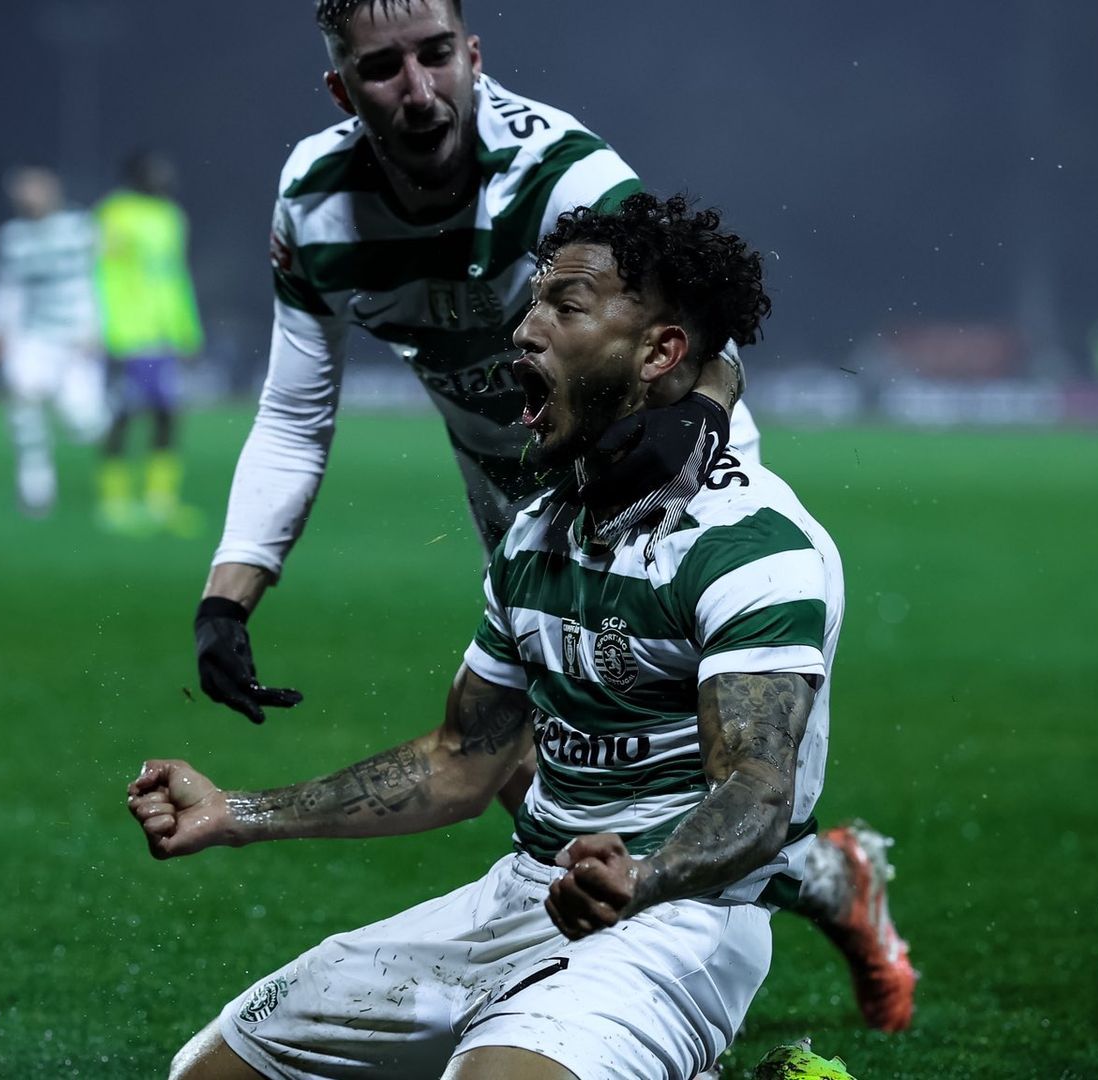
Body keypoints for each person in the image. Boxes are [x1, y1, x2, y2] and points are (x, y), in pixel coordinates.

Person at [190, 0, 914, 1033]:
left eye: (438, 54)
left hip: (672, 493)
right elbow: (295, 410)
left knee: (695, 783)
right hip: (525, 516)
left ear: (474, 55)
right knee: (544, 785)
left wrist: (695, 425)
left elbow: (695, 321)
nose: (420, 89)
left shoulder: (563, 174)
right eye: (385, 68)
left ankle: (662, 1004)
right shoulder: (316, 204)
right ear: (342, 89)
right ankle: (794, 899)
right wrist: (230, 592)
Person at [135, 195, 850, 1079]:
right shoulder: (538, 531)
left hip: (676, 922)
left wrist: (644, 878)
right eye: (532, 303)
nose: (523, 330)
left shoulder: (749, 546)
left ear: (659, 352)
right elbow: (461, 759)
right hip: (518, 897)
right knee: (206, 1072)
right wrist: (236, 814)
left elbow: (757, 791)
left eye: (566, 307)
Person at [0, 165, 108, 516]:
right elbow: (6, 286)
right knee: (23, 401)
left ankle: (108, 434)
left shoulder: (80, 229)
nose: (29, 197)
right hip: (33, 337)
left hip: (77, 338)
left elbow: (101, 279)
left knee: (85, 425)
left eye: (35, 189)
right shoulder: (12, 237)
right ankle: (35, 488)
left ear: (53, 191)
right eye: (23, 190)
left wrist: (98, 327)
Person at [94, 150, 208, 535]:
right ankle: (114, 503)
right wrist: (107, 328)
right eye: (156, 171)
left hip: (164, 334)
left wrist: (188, 331)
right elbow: (102, 272)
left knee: (168, 414)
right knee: (123, 414)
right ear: (136, 175)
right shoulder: (115, 214)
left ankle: (161, 503)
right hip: (128, 332)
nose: (164, 177)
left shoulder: (172, 217)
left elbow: (175, 276)